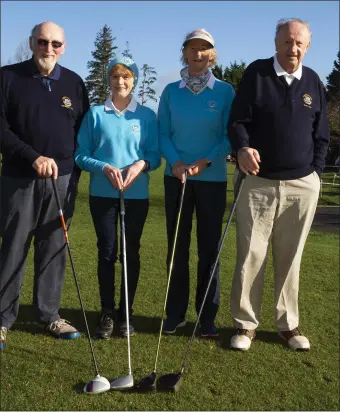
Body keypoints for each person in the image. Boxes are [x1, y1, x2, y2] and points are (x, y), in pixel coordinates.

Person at [228, 18, 330, 351]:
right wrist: (242, 148)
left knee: (291, 257)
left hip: (302, 185)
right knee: (251, 256)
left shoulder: (313, 81)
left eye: (300, 43)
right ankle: (245, 326)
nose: (293, 48)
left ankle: (288, 325)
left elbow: (322, 135)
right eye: (287, 42)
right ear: (276, 43)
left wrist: (314, 173)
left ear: (308, 46)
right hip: (257, 182)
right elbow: (237, 121)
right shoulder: (256, 74)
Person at [0, 22, 89, 350]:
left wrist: (74, 174)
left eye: (55, 43)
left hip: (62, 181)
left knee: (54, 248)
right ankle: (2, 318)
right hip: (19, 178)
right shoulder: (8, 77)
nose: (48, 48)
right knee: (13, 247)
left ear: (63, 47)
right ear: (31, 42)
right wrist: (32, 156)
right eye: (42, 41)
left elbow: (83, 132)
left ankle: (49, 314)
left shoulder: (74, 83)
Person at [75, 55, 160, 339]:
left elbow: (154, 155)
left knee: (130, 253)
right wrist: (104, 167)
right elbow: (81, 155)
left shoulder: (146, 116)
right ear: (109, 80)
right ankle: (107, 312)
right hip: (102, 194)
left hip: (136, 196)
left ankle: (127, 313)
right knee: (107, 252)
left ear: (133, 80)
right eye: (115, 76)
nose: (120, 81)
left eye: (126, 76)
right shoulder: (96, 114)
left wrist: (141, 164)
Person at [158, 29, 235, 337]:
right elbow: (163, 133)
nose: (198, 53)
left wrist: (205, 161)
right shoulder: (170, 91)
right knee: (177, 248)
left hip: (211, 178)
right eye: (193, 48)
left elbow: (230, 136)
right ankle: (175, 314)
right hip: (176, 179)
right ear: (185, 52)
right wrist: (176, 162)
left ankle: (205, 317)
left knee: (209, 249)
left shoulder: (225, 92)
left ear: (212, 54)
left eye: (204, 48)